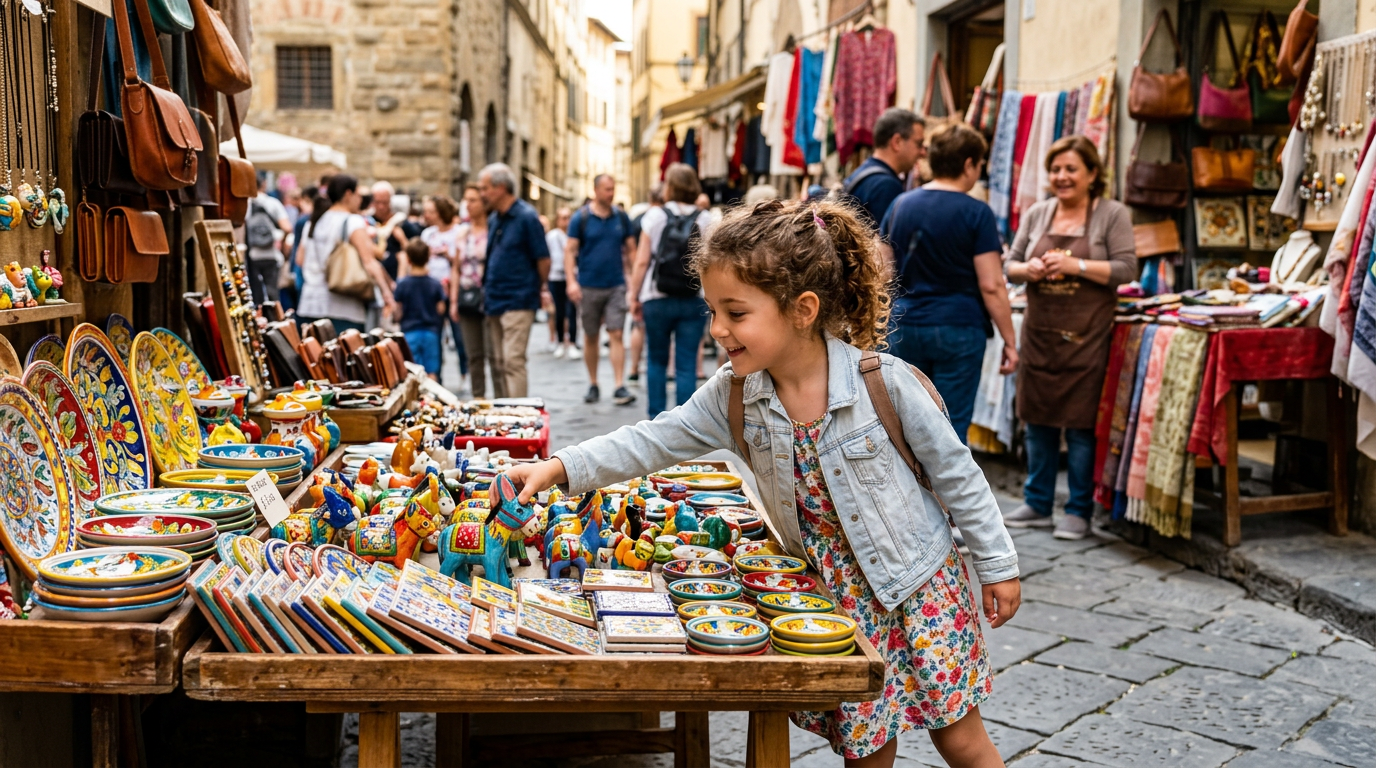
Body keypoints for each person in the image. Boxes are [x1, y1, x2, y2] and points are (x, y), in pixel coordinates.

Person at [506, 199, 1020, 768]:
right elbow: (652, 440)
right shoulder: (735, 395)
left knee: (962, 741)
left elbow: (959, 477)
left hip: (920, 589)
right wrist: (559, 468)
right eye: (712, 310)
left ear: (802, 309)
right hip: (838, 598)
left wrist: (998, 566)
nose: (718, 329)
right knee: (866, 747)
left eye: (736, 313)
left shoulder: (885, 385)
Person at [1005, 135, 1136, 541]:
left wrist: (1075, 264)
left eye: (1071, 169)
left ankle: (1079, 508)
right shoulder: (1039, 213)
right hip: (1041, 334)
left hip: (1088, 337)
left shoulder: (1111, 214)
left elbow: (1126, 268)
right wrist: (1032, 270)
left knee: (1080, 424)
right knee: (1038, 416)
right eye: (1056, 169)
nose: (1062, 177)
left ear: (1092, 174)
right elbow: (1010, 264)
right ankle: (1038, 502)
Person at [880, 123, 1019, 446]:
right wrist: (1009, 340)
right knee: (949, 429)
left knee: (903, 424)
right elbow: (992, 285)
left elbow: (882, 272)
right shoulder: (977, 213)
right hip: (958, 327)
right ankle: (944, 497)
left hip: (905, 323)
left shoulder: (901, 205)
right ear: (969, 164)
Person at [627, 163, 713, 419]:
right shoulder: (706, 218)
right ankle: (683, 424)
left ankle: (655, 421)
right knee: (686, 365)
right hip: (692, 298)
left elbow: (642, 261)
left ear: (670, 187)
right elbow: (711, 264)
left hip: (656, 297)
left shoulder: (654, 216)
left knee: (656, 360)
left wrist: (634, 295)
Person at [478, 163, 549, 399]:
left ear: (501, 188)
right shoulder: (494, 219)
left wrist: (536, 288)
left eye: (485, 188)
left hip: (518, 299)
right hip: (494, 300)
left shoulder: (527, 217)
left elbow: (543, 259)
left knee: (512, 361)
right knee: (497, 363)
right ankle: (502, 413)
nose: (482, 194)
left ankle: (519, 413)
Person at [566, 174, 637, 406]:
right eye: (607, 189)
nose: (611, 193)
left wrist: (635, 279)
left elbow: (631, 249)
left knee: (616, 333)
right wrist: (571, 281)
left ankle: (619, 385)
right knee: (591, 335)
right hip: (588, 285)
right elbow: (570, 250)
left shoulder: (621, 217)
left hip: (616, 284)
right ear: (596, 190)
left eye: (613, 188)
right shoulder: (581, 218)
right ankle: (594, 383)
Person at [296, 174, 396, 333]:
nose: (360, 199)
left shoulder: (313, 222)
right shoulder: (352, 222)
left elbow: (300, 260)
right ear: (348, 194)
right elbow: (369, 261)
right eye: (358, 195)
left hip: (310, 303)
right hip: (342, 306)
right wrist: (387, 293)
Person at [842, 108, 926, 229]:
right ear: (897, 142)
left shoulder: (864, 173)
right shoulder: (885, 186)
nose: (923, 152)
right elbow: (886, 244)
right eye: (919, 144)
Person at [450, 185, 494, 397]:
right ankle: (479, 397)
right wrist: (453, 300)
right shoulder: (462, 232)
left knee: (495, 353)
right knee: (473, 354)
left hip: (491, 297)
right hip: (467, 297)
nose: (468, 204)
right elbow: (456, 268)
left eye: (473, 200)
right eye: (466, 200)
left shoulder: (493, 230)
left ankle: (502, 400)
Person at [420, 195, 468, 385]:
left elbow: (462, 262)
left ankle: (465, 373)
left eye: (431, 211)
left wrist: (448, 256)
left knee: (460, 336)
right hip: (432, 292)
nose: (427, 215)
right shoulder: (428, 234)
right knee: (434, 337)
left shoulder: (458, 232)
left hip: (454, 290)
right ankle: (436, 377)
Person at [626, 183, 665, 384]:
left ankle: (633, 367)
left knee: (639, 327)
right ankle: (672, 371)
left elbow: (638, 258)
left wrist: (633, 291)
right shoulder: (693, 217)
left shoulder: (642, 219)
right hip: (683, 289)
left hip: (650, 286)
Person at [393, 240, 447, 380]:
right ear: (428, 258)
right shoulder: (435, 283)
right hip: (431, 332)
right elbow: (441, 309)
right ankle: (431, 399)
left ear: (409, 259)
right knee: (431, 371)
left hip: (410, 331)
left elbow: (398, 311)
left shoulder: (403, 284)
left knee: (412, 370)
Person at [246, 173, 291, 304]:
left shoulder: (245, 204)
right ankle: (274, 320)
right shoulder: (273, 203)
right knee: (272, 294)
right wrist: (281, 245)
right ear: (263, 184)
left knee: (253, 295)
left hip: (252, 255)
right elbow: (287, 228)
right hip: (271, 254)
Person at [372, 181, 421, 283]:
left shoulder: (401, 223)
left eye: (384, 202)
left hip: (398, 278)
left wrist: (402, 240)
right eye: (377, 202)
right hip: (374, 278)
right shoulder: (368, 222)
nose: (381, 207)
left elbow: (418, 253)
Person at [545, 207, 578, 359]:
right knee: (558, 311)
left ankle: (572, 342)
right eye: (563, 218)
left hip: (572, 276)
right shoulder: (552, 237)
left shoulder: (575, 235)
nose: (566, 221)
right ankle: (559, 341)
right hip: (556, 277)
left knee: (572, 311)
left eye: (568, 218)